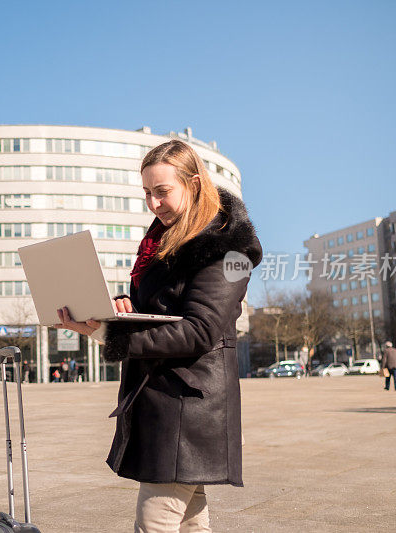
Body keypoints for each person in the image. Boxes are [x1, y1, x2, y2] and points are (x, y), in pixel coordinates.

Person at [56, 140, 262, 532]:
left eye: (162, 191)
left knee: (156, 522)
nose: (153, 203)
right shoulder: (163, 244)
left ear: (195, 184)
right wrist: (123, 311)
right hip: (170, 401)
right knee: (189, 520)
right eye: (147, 193)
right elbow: (164, 313)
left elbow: (199, 330)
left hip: (188, 406)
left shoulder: (231, 252)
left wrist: (110, 334)